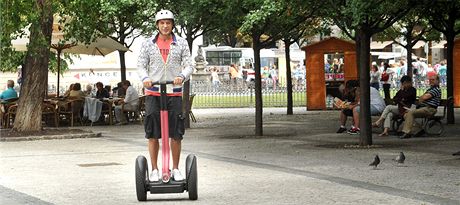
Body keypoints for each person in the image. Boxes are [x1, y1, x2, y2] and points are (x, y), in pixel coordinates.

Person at [137, 9, 193, 182]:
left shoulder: (181, 43)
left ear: (172, 25)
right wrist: (145, 78)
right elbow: (140, 65)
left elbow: (189, 65)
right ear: (157, 25)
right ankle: (154, 169)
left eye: (168, 22)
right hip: (153, 92)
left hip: (174, 92)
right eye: (162, 23)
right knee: (152, 133)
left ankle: (175, 168)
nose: (165, 26)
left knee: (176, 132)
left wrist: (182, 76)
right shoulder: (148, 44)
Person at [400, 75, 441, 139]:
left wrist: (422, 97)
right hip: (424, 108)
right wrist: (422, 98)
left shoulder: (436, 89)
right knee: (406, 115)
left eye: (433, 80)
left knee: (410, 113)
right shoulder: (431, 89)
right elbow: (422, 98)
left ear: (437, 81)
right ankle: (419, 130)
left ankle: (407, 132)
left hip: (430, 109)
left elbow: (424, 98)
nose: (431, 81)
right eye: (430, 80)